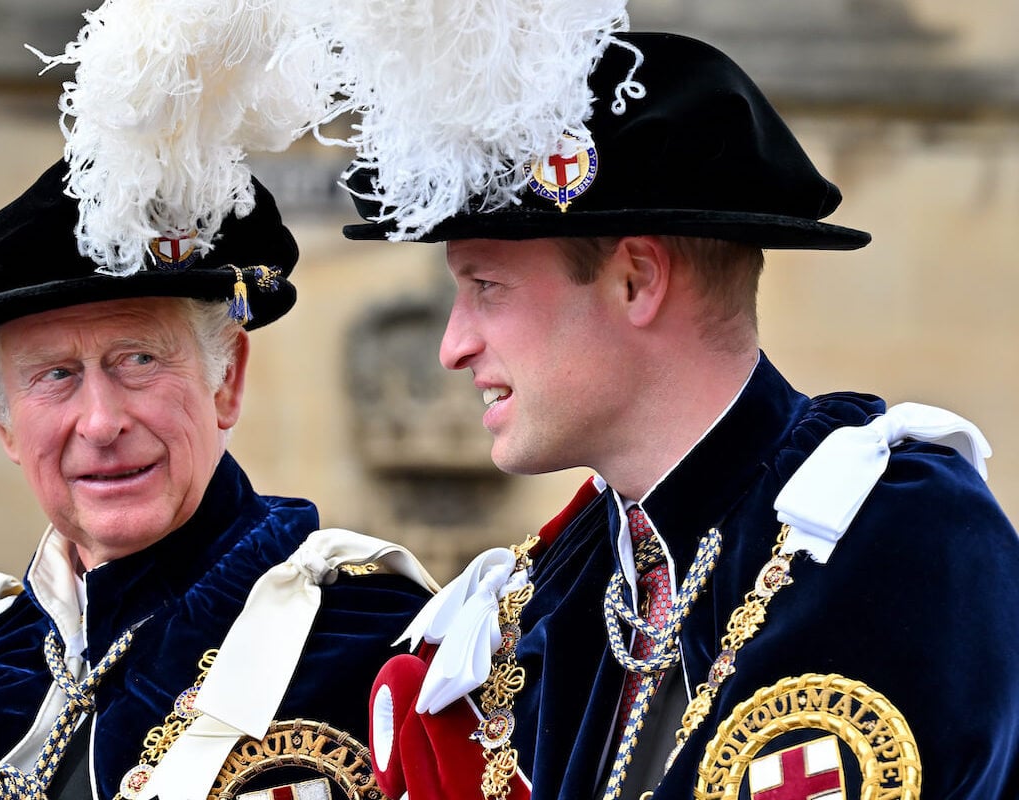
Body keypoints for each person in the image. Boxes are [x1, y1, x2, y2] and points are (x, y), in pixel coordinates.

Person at [338, 29, 1019, 800]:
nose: (452, 346)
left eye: (487, 287)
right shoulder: (550, 599)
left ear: (635, 281)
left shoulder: (898, 538)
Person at [0, 157, 435, 800]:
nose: (99, 422)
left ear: (225, 380)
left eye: (138, 360)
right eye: (55, 375)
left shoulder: (375, 643)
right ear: (2, 421)